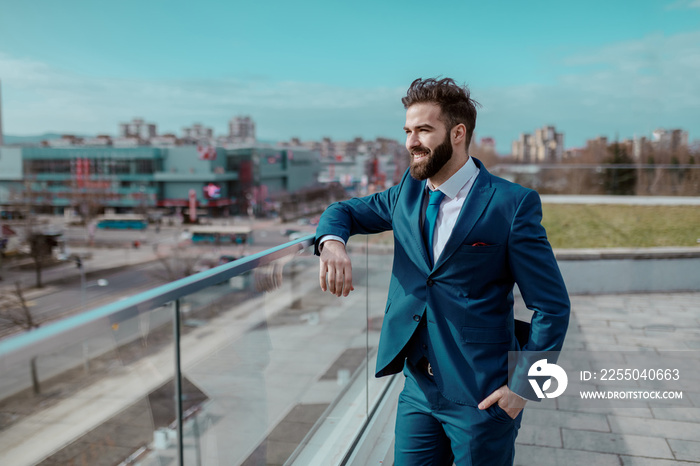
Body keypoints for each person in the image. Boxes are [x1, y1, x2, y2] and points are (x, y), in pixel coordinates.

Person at [315, 77, 570, 465]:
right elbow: (344, 211)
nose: (411, 142)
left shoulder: (511, 204)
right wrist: (331, 243)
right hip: (417, 388)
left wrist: (523, 389)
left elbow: (551, 306)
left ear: (457, 133)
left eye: (423, 130)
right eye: (407, 131)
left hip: (480, 394)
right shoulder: (407, 192)